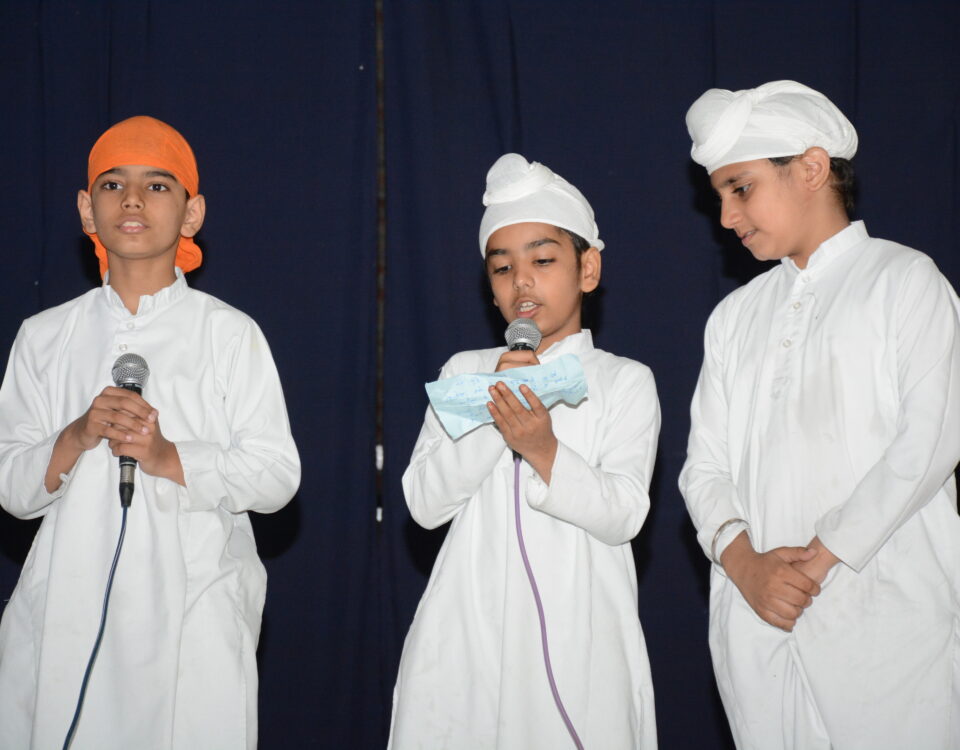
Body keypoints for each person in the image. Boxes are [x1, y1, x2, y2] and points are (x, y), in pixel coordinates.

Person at [0, 116, 300, 749]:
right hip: (67, 615)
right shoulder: (44, 336)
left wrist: (169, 457)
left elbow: (277, 476)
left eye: (157, 186)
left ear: (192, 214)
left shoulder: (229, 334)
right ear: (87, 209)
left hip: (193, 610)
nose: (132, 200)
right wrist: (76, 436)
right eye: (112, 184)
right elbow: (11, 487)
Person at [679, 80, 960, 749]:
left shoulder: (904, 281)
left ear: (810, 168)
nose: (727, 216)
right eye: (719, 196)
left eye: (740, 188)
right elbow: (703, 468)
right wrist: (743, 562)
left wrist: (819, 558)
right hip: (757, 619)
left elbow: (929, 443)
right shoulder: (733, 318)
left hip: (886, 614)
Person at [388, 153, 660, 749]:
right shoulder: (465, 371)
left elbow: (624, 514)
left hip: (580, 628)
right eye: (503, 268)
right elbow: (424, 504)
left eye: (542, 260)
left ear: (588, 268)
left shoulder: (624, 380)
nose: (522, 282)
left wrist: (544, 450)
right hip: (467, 628)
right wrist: (498, 410)